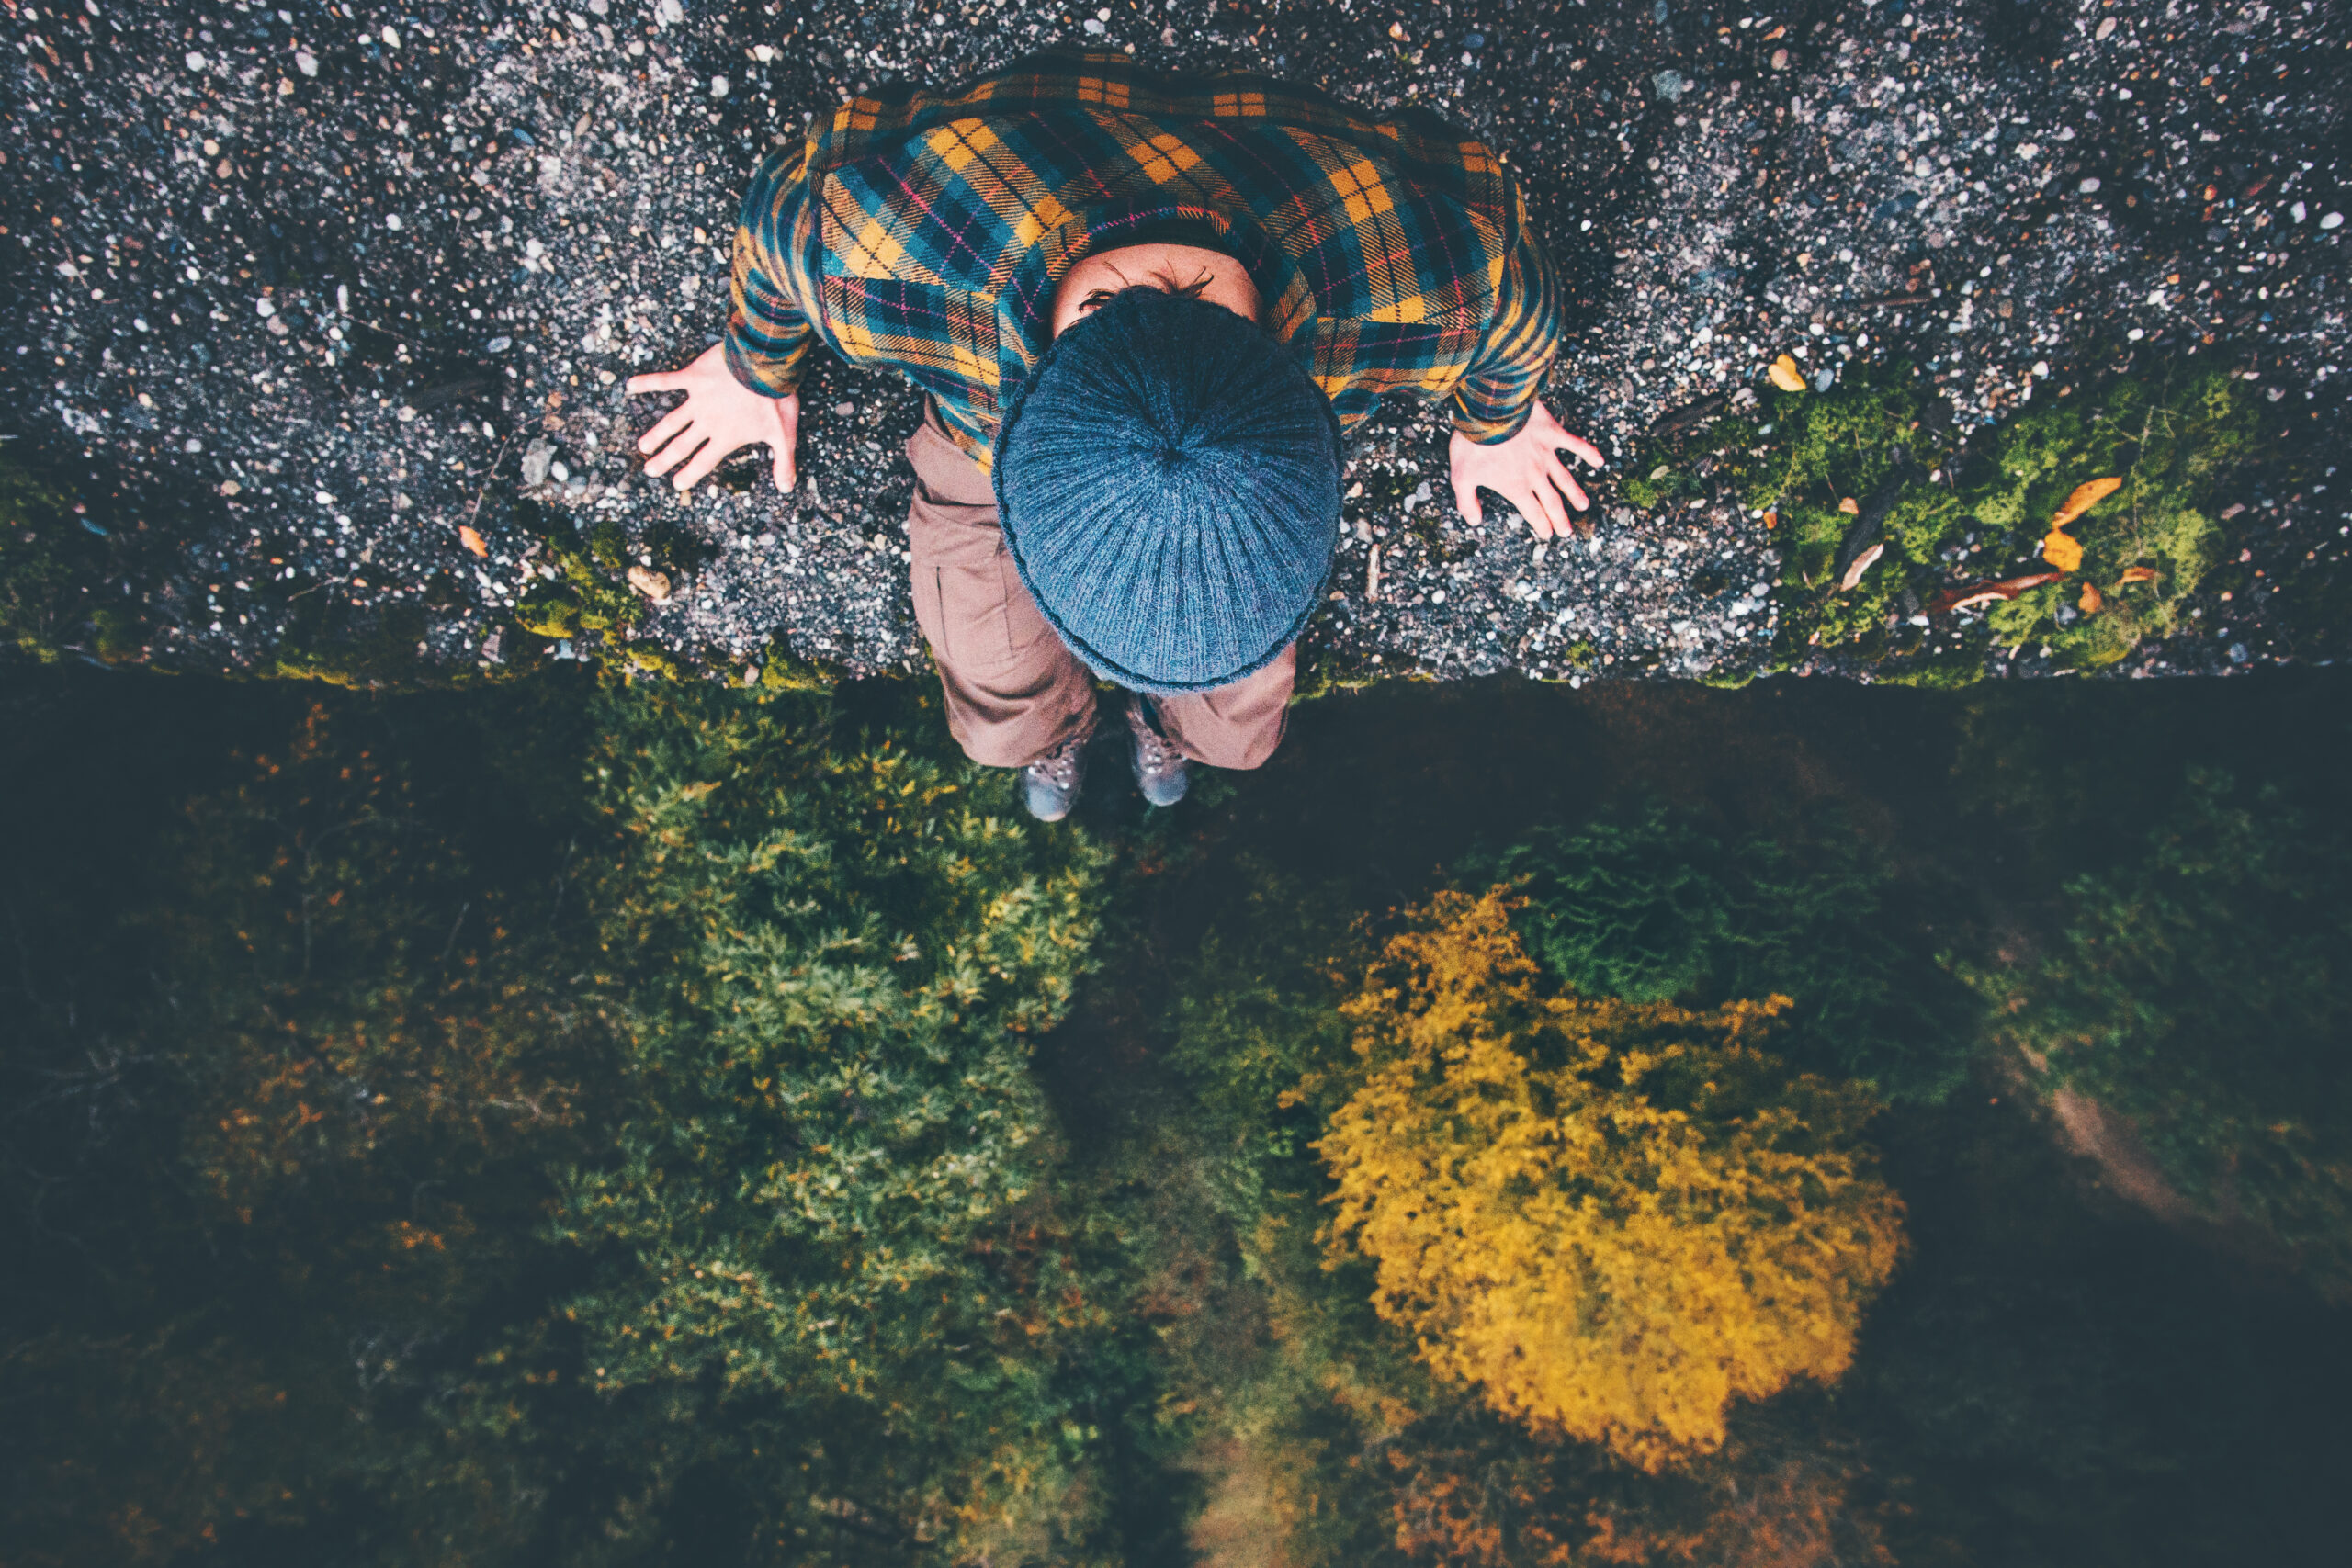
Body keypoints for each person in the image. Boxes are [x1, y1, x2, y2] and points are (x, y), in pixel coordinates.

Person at [628, 51, 1603, 821]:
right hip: (995, 421)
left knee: (1236, 738)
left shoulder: (1453, 274)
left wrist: (1498, 422)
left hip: (1093, 296)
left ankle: (1167, 726)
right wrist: (752, 366)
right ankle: (1066, 729)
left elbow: (1519, 318)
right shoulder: (885, 248)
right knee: (999, 724)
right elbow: (781, 219)